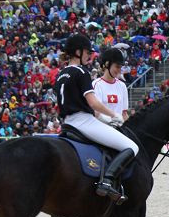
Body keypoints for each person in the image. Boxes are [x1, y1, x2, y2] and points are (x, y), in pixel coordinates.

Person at [55, 34, 138, 203]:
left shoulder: (61, 74)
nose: (89, 55)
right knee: (131, 146)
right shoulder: (81, 72)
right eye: (87, 52)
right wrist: (113, 115)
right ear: (77, 52)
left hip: (67, 123)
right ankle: (107, 180)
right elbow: (93, 103)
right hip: (84, 121)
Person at [93, 47, 130, 121]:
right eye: (117, 67)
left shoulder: (122, 86)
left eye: (121, 67)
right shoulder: (96, 85)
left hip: (118, 128)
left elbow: (124, 114)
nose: (120, 71)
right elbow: (96, 113)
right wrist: (112, 121)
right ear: (107, 64)